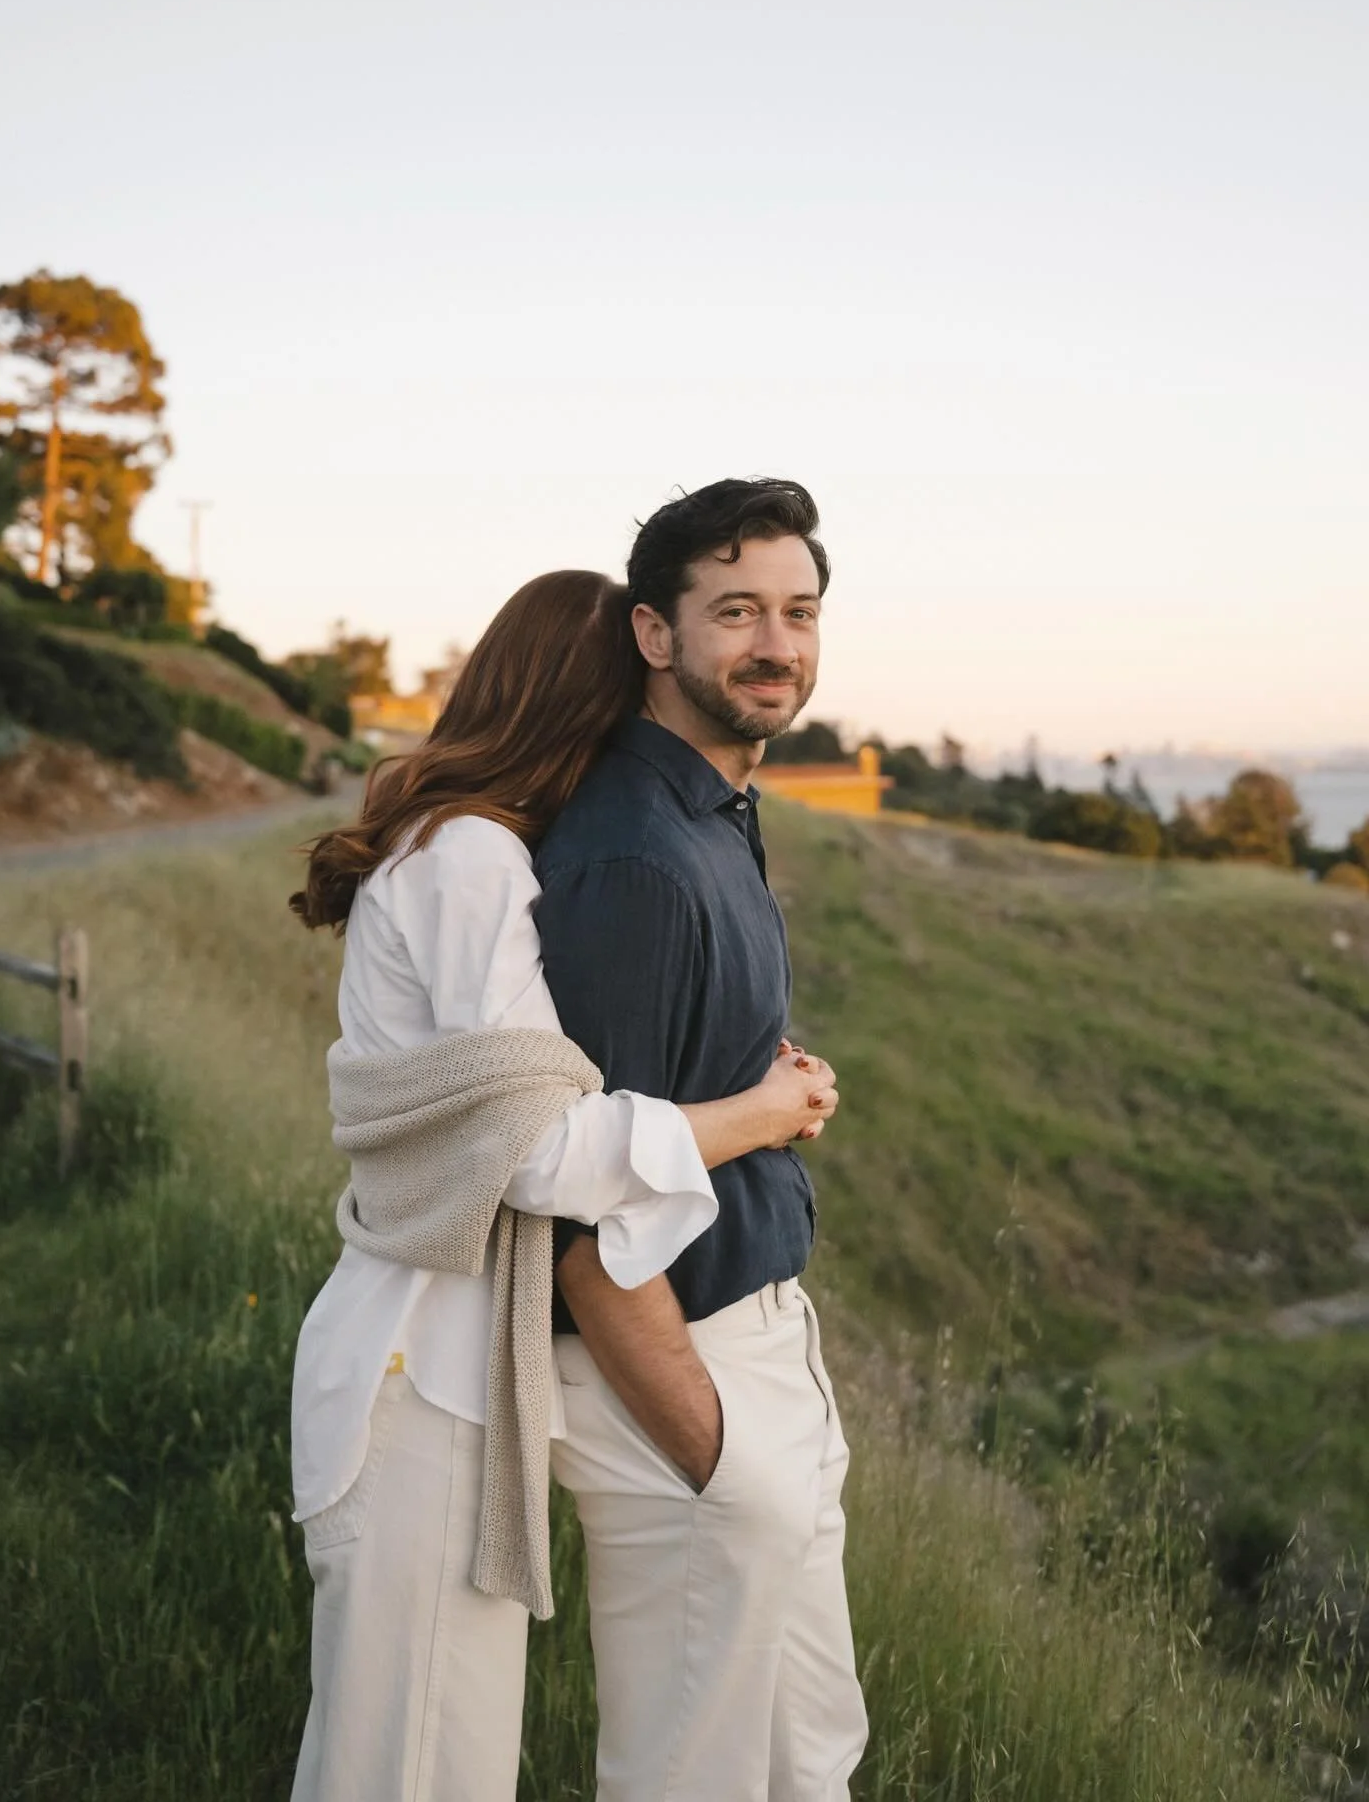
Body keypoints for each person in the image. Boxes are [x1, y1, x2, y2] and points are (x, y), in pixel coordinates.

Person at [285, 566, 840, 1802]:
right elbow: (538, 1155)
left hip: (440, 1370)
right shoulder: (471, 857)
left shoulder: (457, 846)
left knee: (430, 1757)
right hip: (417, 1377)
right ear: (581, 706)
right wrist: (757, 1116)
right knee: (410, 1768)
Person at [537, 479, 870, 1801]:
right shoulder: (631, 859)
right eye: (735, 610)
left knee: (806, 1760)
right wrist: (714, 1459)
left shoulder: (713, 816)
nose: (775, 643)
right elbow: (575, 1209)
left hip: (761, 1354)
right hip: (674, 1377)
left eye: (797, 611)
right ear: (655, 635)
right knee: (697, 1777)